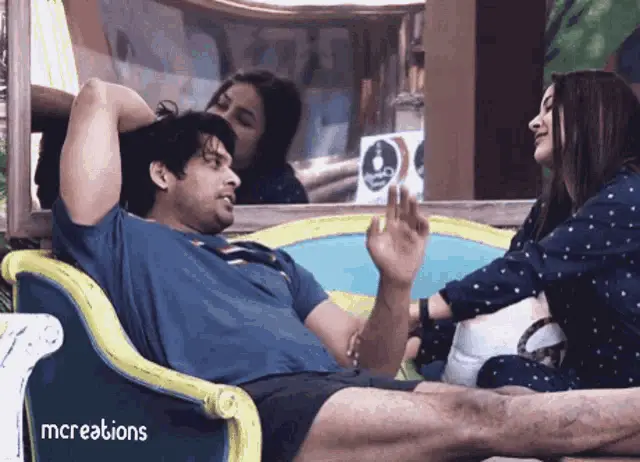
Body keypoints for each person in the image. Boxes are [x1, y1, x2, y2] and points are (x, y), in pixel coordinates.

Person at [54, 77, 640, 462]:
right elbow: (99, 97)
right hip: (256, 406)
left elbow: (372, 363)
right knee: (486, 416)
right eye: (213, 163)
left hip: (338, 391)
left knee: (505, 406)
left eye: (233, 163)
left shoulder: (271, 261)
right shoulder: (119, 238)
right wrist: (163, 130)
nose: (234, 177)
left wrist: (395, 282)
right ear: (162, 174)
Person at [406, 70, 640, 393]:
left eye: (550, 108)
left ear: (594, 116)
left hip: (627, 396)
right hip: (583, 383)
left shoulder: (629, 198)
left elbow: (528, 269)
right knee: (497, 372)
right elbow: (504, 291)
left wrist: (419, 311)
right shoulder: (551, 210)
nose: (534, 122)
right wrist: (417, 342)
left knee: (490, 385)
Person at [205, 69, 309, 204]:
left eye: (243, 120)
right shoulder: (180, 164)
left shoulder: (282, 195)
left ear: (268, 143)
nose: (222, 119)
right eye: (222, 105)